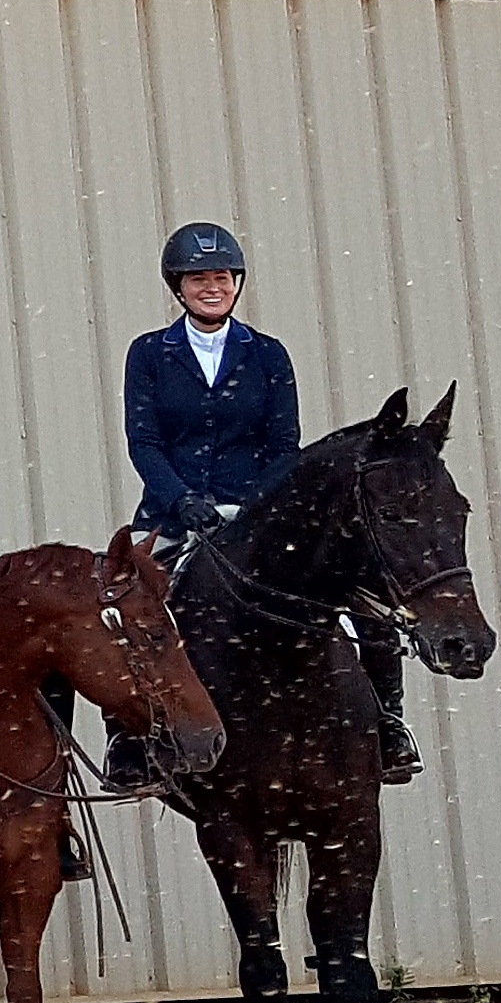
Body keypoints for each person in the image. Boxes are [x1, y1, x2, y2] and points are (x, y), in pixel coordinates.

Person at [124, 223, 402, 779]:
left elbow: (283, 445)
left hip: (258, 515)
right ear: (178, 286)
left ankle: (390, 725)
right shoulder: (150, 354)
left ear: (237, 284)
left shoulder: (268, 355)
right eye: (199, 278)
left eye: (222, 277)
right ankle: (132, 741)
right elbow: (145, 441)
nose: (212, 287)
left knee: (364, 596)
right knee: (125, 606)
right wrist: (182, 501)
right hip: (174, 514)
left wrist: (252, 507)